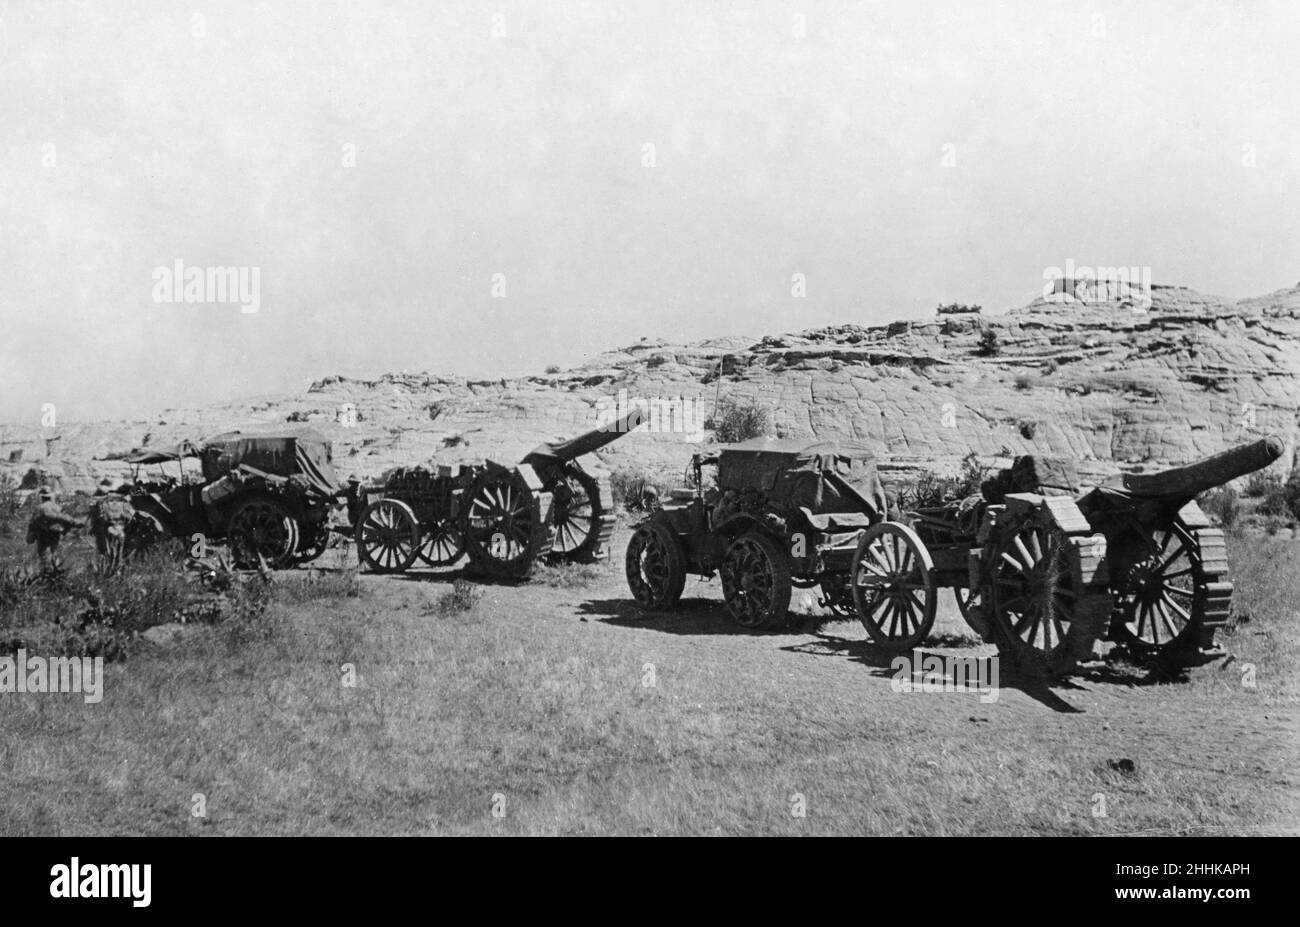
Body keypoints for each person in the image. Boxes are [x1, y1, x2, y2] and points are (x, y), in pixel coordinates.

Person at [27, 488, 85, 573]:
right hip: (55, 534)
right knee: (54, 554)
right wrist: (69, 527)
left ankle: (47, 575)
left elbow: (33, 523)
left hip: (43, 535)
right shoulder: (57, 507)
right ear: (51, 496)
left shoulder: (40, 508)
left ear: (42, 497)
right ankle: (55, 575)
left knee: (44, 556)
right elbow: (66, 520)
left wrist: (30, 537)